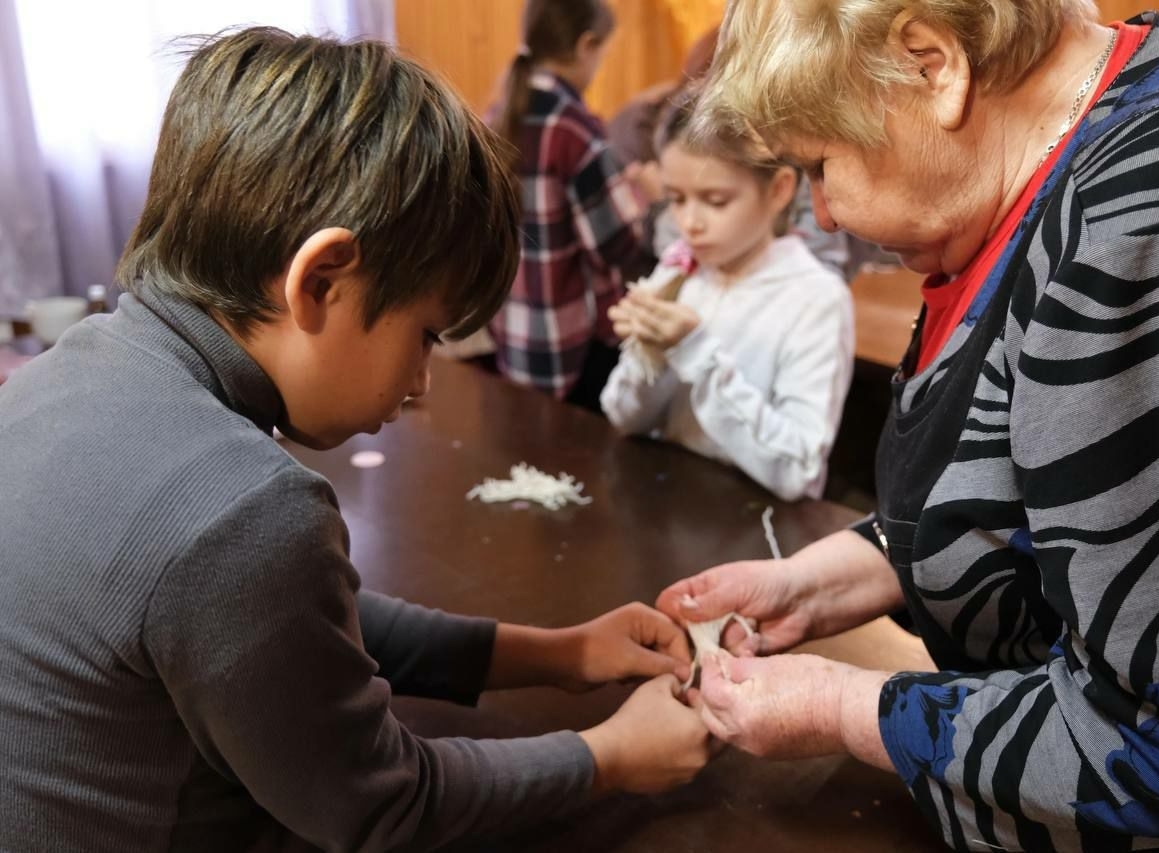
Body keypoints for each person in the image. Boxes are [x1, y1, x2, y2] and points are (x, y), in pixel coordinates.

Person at [0, 27, 712, 851]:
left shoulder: (66, 368)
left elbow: (293, 620)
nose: (421, 383)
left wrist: (560, 653)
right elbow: (382, 805)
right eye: (426, 334)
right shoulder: (241, 511)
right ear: (321, 280)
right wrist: (609, 754)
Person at [657, 2, 1159, 850]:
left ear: (930, 64)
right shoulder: (1108, 115)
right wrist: (834, 575)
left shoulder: (1146, 225)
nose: (826, 215)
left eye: (820, 164)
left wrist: (844, 708)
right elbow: (1064, 482)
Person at [600, 90, 854, 501]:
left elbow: (797, 471)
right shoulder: (679, 271)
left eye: (715, 201)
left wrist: (694, 351)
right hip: (669, 503)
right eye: (676, 200)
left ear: (778, 190)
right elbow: (623, 416)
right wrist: (650, 352)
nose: (690, 223)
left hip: (756, 524)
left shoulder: (816, 299)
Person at [488, 0, 648, 413]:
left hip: (511, 334)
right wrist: (645, 195)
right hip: (572, 347)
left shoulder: (497, 116)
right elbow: (615, 246)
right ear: (586, 45)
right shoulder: (575, 128)